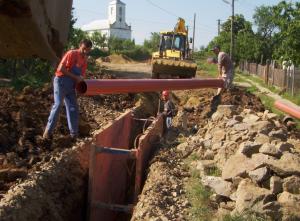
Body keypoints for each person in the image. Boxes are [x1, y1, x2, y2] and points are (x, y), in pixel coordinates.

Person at [43, 39, 93, 139]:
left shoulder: (84, 61)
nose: (85, 52)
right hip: (61, 82)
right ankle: (47, 132)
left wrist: (80, 85)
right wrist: (76, 78)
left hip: (71, 86)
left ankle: (74, 135)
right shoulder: (71, 54)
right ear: (80, 46)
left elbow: (81, 77)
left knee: (73, 108)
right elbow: (60, 69)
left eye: (87, 50)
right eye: (83, 49)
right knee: (58, 105)